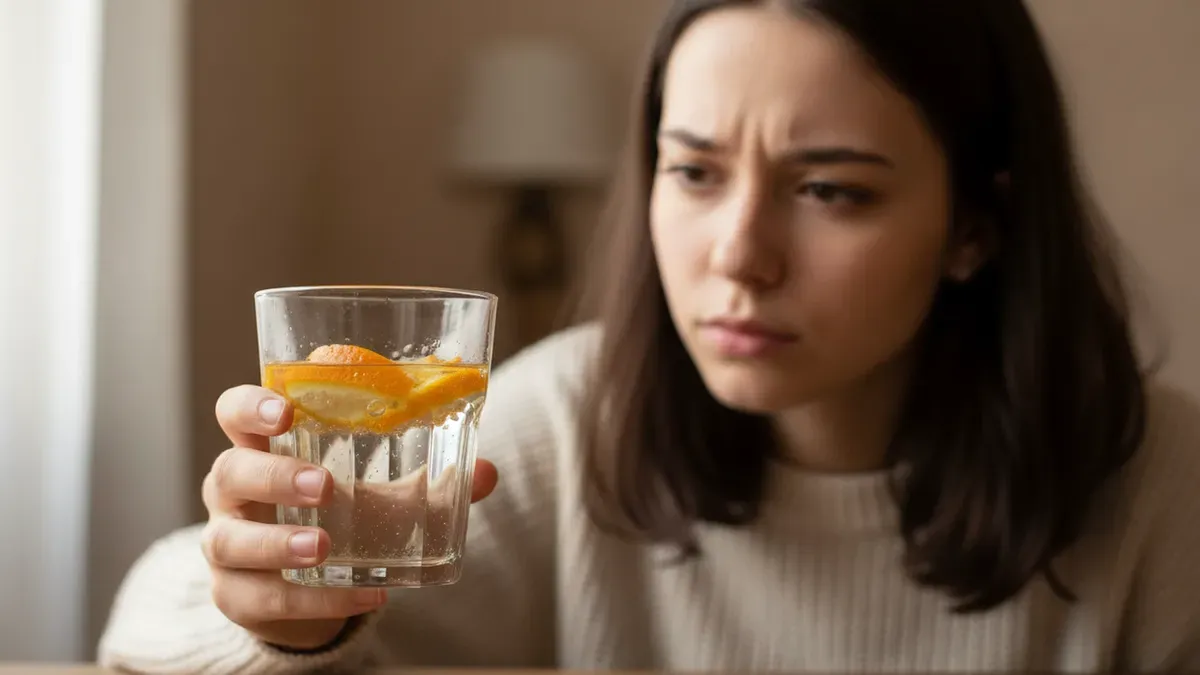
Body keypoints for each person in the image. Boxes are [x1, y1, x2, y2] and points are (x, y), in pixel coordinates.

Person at [99, 0, 1200, 672]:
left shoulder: (1157, 481)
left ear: (976, 227)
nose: (738, 253)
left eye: (829, 191)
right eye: (694, 172)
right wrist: (280, 618)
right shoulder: (576, 419)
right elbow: (143, 625)